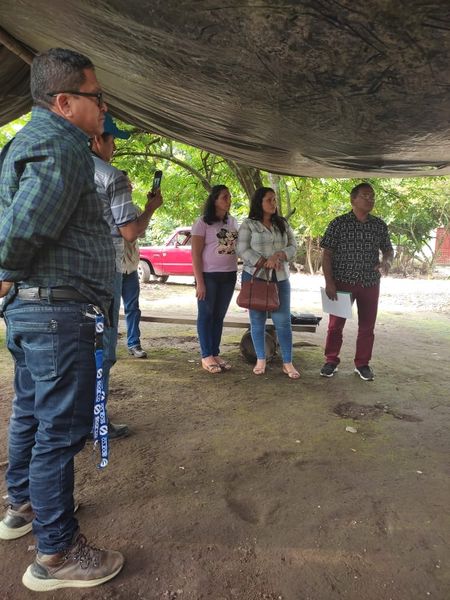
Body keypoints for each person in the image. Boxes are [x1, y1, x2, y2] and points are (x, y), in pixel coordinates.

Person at [0, 48, 124, 591]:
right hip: (57, 313)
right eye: (97, 97)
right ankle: (56, 553)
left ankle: (22, 505)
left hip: (36, 311)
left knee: (31, 412)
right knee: (59, 431)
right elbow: (25, 226)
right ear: (65, 102)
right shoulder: (63, 146)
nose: (103, 107)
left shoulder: (26, 142)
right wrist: (3, 271)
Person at [91, 114, 162, 436]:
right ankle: (96, 420)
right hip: (106, 270)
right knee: (103, 347)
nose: (115, 147)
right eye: (112, 140)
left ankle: (74, 419)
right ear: (97, 139)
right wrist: (151, 209)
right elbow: (130, 232)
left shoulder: (64, 170)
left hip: (73, 274)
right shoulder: (111, 176)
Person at [320, 182, 394, 381]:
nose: (370, 199)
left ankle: (362, 364)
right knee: (335, 325)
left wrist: (386, 262)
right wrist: (329, 282)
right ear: (353, 199)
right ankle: (331, 360)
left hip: (370, 282)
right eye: (365, 196)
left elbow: (388, 249)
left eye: (372, 196)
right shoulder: (338, 223)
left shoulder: (378, 225)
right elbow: (327, 254)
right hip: (342, 282)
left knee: (367, 326)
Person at [237, 187, 299, 379]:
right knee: (257, 321)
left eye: (274, 200)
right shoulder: (248, 224)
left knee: (283, 321)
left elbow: (293, 246)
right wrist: (264, 261)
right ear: (259, 202)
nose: (273, 203)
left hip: (280, 279)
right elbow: (242, 249)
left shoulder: (282, 223)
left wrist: (279, 255)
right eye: (269, 200)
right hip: (255, 278)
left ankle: (287, 362)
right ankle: (261, 359)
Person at [191, 185, 239, 373]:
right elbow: (195, 255)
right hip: (208, 276)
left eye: (230, 197)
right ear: (214, 200)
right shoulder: (202, 222)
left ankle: (215, 352)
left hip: (229, 275)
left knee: (219, 315)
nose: (229, 200)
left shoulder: (233, 221)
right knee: (206, 314)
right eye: (225, 197)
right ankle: (206, 355)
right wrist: (200, 282)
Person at [122, 238, 147, 358]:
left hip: (130, 267)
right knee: (109, 309)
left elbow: (139, 234)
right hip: (112, 267)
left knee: (133, 308)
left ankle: (134, 344)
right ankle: (106, 346)